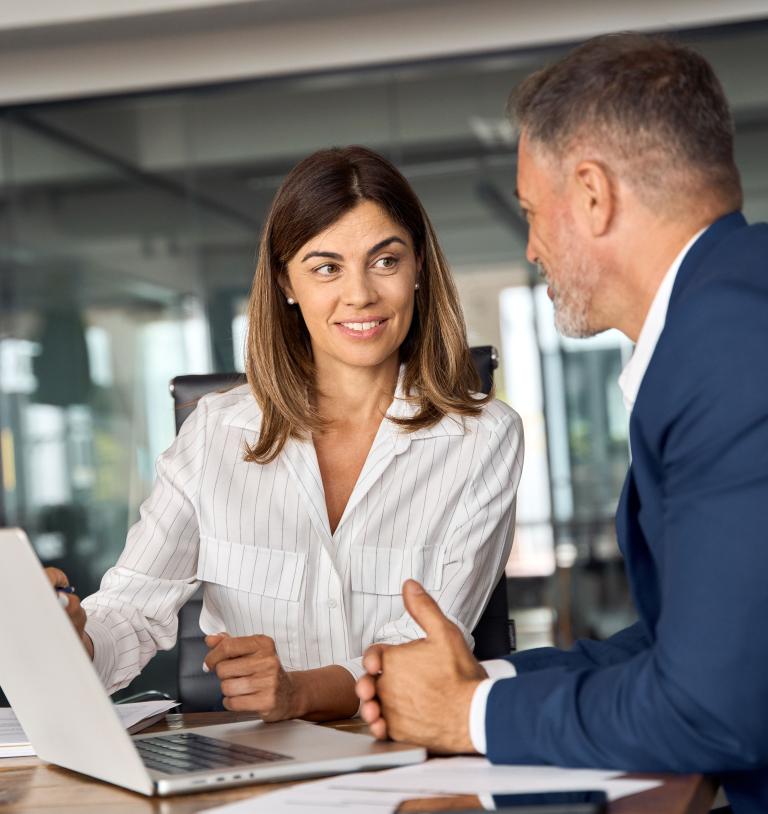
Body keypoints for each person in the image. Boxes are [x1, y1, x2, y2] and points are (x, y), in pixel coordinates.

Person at [356, 33, 768, 813]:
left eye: (531, 213)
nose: (534, 248)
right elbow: (695, 641)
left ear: (592, 194)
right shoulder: (731, 312)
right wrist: (489, 683)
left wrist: (467, 715)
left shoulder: (731, 352)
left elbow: (712, 705)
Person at [47, 145, 523, 724]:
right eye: (326, 267)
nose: (360, 295)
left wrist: (300, 692)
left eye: (385, 261)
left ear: (418, 267)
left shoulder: (484, 438)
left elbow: (427, 646)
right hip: (255, 762)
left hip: (411, 756)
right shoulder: (215, 434)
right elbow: (132, 609)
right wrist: (75, 639)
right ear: (286, 282)